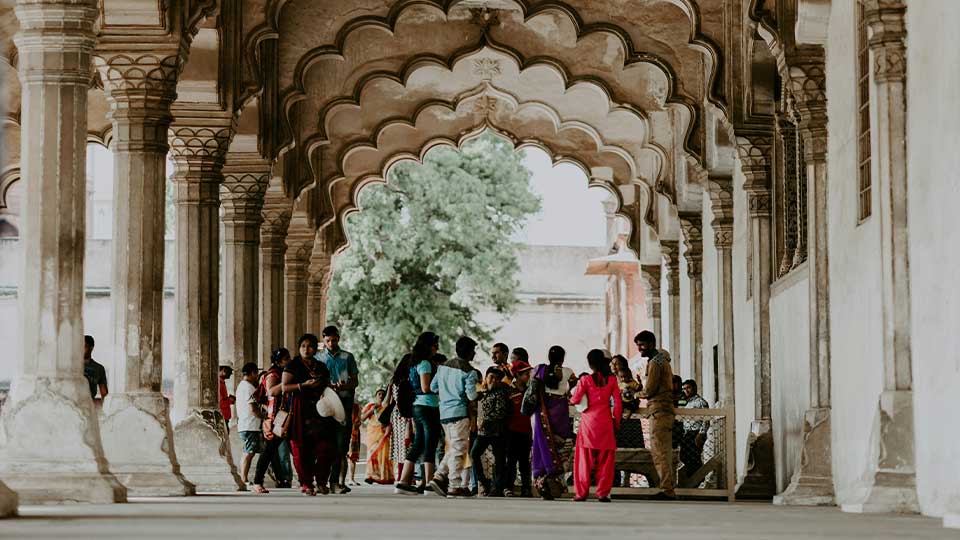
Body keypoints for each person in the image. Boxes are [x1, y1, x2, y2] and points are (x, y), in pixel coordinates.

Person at [282, 333, 337, 496]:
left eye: (310, 346)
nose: (306, 349)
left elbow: (328, 386)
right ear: (299, 348)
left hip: (320, 410)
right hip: (299, 409)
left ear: (316, 349)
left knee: (324, 447)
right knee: (300, 448)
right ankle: (306, 483)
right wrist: (303, 385)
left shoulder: (321, 366)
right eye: (303, 346)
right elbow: (285, 387)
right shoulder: (293, 365)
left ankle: (321, 481)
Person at [428, 336, 480, 498]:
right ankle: (454, 485)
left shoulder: (443, 367)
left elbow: (433, 387)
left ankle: (439, 476)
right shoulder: (469, 372)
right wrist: (480, 394)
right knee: (459, 449)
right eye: (473, 351)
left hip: (444, 413)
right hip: (459, 413)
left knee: (454, 448)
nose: (474, 354)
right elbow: (471, 396)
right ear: (469, 352)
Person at [570, 349, 622, 502]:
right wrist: (616, 422)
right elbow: (618, 404)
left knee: (584, 460)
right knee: (606, 460)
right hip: (605, 423)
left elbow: (575, 399)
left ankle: (581, 493)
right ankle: (603, 493)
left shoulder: (585, 380)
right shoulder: (612, 380)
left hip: (588, 424)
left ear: (590, 363)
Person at [395, 332, 442, 495]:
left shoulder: (414, 362)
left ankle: (403, 481)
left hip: (417, 406)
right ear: (428, 346)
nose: (437, 348)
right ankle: (430, 483)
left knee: (419, 444)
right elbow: (426, 387)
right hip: (428, 406)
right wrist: (441, 388)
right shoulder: (426, 364)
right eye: (435, 345)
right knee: (430, 443)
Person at [529, 345, 575, 500]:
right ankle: (554, 479)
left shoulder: (538, 370)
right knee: (561, 445)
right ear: (563, 358)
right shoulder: (568, 372)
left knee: (542, 446)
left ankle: (543, 484)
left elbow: (532, 385)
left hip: (543, 412)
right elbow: (575, 386)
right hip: (561, 412)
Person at [636, 330, 677, 500]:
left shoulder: (655, 362)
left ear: (651, 344)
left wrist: (635, 393)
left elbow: (650, 390)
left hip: (659, 409)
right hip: (665, 409)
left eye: (642, 345)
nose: (640, 349)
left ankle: (667, 489)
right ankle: (667, 487)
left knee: (660, 452)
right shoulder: (661, 359)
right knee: (664, 451)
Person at [318, 325, 359, 495]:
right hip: (326, 404)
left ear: (338, 339)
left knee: (341, 445)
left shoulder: (347, 357)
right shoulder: (319, 358)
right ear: (324, 341)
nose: (331, 343)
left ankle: (336, 481)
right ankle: (322, 481)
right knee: (326, 444)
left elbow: (355, 381)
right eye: (328, 341)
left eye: (334, 340)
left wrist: (345, 385)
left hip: (344, 402)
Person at [252, 347, 291, 494]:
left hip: (288, 414)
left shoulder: (283, 373)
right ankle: (257, 482)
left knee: (293, 447)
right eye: (286, 359)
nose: (289, 361)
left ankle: (305, 480)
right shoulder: (273, 374)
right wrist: (289, 382)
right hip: (277, 417)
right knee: (269, 451)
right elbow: (271, 392)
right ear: (279, 361)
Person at [470, 366, 509, 497]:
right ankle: (483, 481)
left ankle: (497, 487)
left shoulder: (500, 393)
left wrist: (486, 419)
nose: (494, 380)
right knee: (474, 454)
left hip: (497, 432)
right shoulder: (481, 392)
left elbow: (500, 412)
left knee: (499, 460)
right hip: (483, 433)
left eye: (497, 379)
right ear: (486, 378)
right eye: (491, 377)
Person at [503, 360, 534, 497]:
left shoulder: (530, 390)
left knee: (524, 462)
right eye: (526, 374)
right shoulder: (508, 390)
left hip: (527, 430)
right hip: (511, 431)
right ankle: (508, 487)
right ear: (517, 375)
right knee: (511, 460)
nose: (529, 376)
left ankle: (526, 488)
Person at [387, 354, 415, 482]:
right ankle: (407, 476)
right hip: (406, 413)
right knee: (408, 444)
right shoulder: (408, 380)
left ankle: (402, 475)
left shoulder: (395, 380)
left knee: (400, 446)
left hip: (396, 413)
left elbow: (389, 400)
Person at [235, 362, 263, 486]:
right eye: (256, 373)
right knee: (249, 452)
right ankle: (244, 479)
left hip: (246, 423)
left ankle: (243, 478)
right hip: (249, 424)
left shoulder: (242, 386)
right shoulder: (248, 387)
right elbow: (252, 408)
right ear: (253, 373)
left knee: (248, 452)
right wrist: (264, 416)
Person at [361, 389, 395, 485]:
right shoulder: (370, 406)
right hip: (372, 434)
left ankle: (383, 476)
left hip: (383, 433)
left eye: (383, 394)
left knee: (383, 456)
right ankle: (370, 476)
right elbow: (362, 419)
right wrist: (371, 411)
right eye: (379, 394)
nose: (381, 395)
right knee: (372, 455)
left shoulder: (386, 407)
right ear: (376, 396)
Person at [680, 379, 709, 479]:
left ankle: (698, 479)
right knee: (684, 457)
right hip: (687, 433)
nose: (686, 390)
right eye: (684, 388)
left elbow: (706, 420)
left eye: (688, 388)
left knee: (694, 458)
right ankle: (693, 480)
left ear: (694, 388)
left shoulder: (701, 402)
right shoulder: (686, 403)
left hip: (695, 433)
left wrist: (701, 434)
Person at [82, 335, 108, 404]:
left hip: (89, 407)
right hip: (72, 407)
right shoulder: (72, 366)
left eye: (84, 346)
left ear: (91, 348)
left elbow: (104, 394)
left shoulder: (99, 368)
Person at [341, 401, 361, 487]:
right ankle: (340, 480)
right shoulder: (341, 404)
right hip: (344, 431)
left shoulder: (357, 406)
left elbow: (359, 420)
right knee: (342, 456)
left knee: (352, 457)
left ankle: (351, 479)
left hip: (354, 433)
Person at [218, 365, 235, 434]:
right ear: (224, 370)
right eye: (230, 371)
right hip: (222, 418)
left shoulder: (221, 382)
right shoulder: (218, 383)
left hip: (224, 418)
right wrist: (230, 400)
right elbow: (221, 403)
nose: (231, 373)